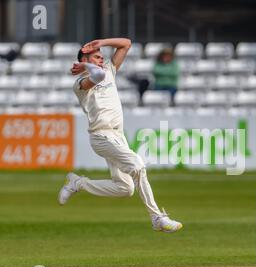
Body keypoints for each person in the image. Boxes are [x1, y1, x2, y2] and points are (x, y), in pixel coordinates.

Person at [59, 38, 183, 233]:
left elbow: (126, 43)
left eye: (102, 57)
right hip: (101, 136)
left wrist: (102, 41)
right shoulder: (80, 83)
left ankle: (79, 183)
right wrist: (85, 65)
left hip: (118, 136)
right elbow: (97, 76)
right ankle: (157, 217)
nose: (101, 59)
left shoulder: (108, 69)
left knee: (125, 188)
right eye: (97, 57)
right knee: (138, 166)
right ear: (84, 58)